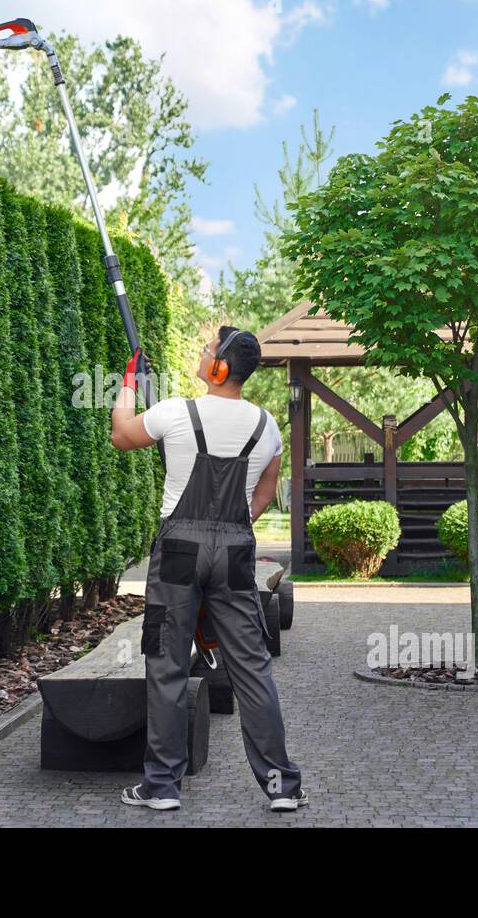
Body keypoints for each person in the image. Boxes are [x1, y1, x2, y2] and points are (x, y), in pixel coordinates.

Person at [110, 326, 305, 812]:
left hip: (178, 550)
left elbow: (120, 434)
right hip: (236, 551)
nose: (201, 354)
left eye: (206, 351)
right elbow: (264, 494)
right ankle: (281, 788)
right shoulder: (267, 426)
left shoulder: (175, 411)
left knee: (167, 665)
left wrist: (129, 384)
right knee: (252, 668)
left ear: (218, 367)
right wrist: (234, 525)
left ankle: (162, 787)